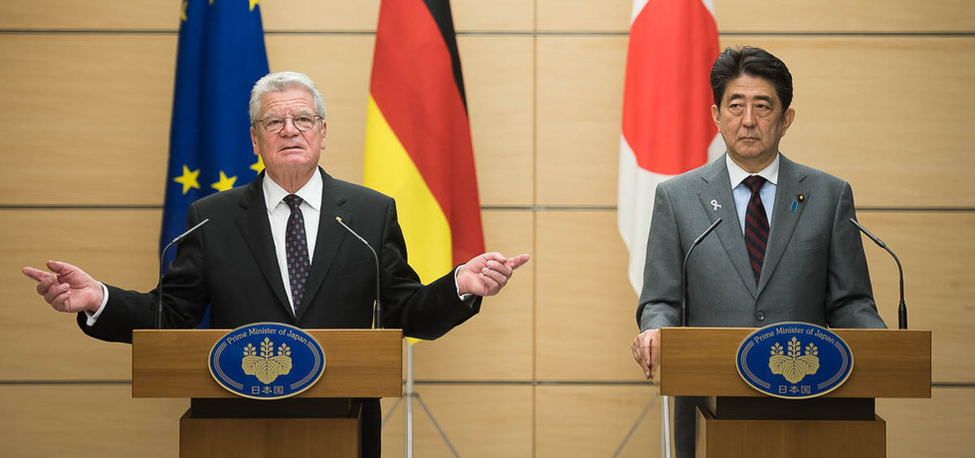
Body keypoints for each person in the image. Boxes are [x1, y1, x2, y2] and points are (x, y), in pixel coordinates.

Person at [24, 70, 529, 458]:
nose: (290, 130)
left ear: (323, 133)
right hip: (232, 427)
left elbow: (404, 314)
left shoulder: (371, 214)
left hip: (344, 422)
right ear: (256, 139)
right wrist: (100, 301)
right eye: (274, 122)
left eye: (302, 119)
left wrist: (460, 284)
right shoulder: (211, 219)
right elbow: (169, 317)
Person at [629, 46, 884, 458]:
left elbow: (851, 301)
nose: (748, 120)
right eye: (735, 105)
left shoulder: (828, 195)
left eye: (763, 107)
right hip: (708, 407)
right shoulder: (677, 198)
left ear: (786, 119)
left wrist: (880, 347)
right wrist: (656, 330)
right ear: (716, 116)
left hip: (810, 406)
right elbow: (661, 298)